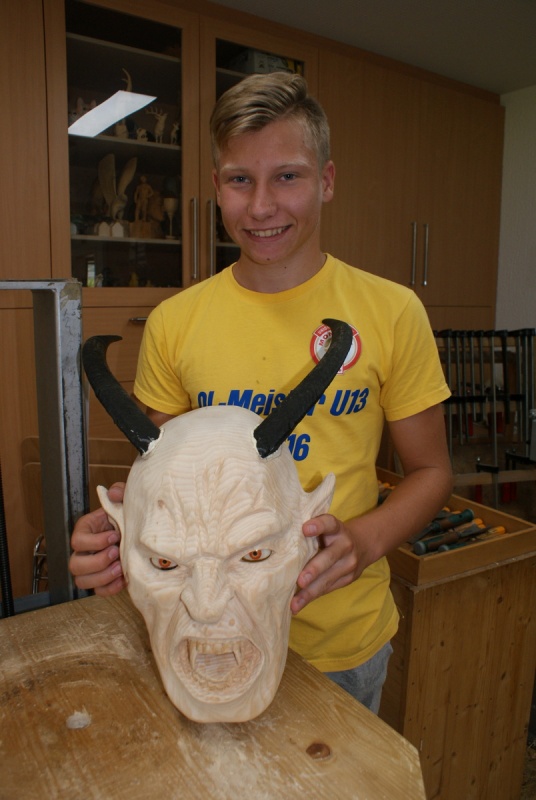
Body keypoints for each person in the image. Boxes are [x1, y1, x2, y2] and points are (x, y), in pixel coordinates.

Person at [70, 71, 453, 714]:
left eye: (288, 176)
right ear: (216, 186)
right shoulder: (175, 322)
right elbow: (164, 479)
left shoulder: (392, 311)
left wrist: (364, 541)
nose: (261, 206)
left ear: (326, 180)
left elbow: (432, 471)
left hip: (339, 640)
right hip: (200, 631)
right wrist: (114, 536)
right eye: (240, 180)